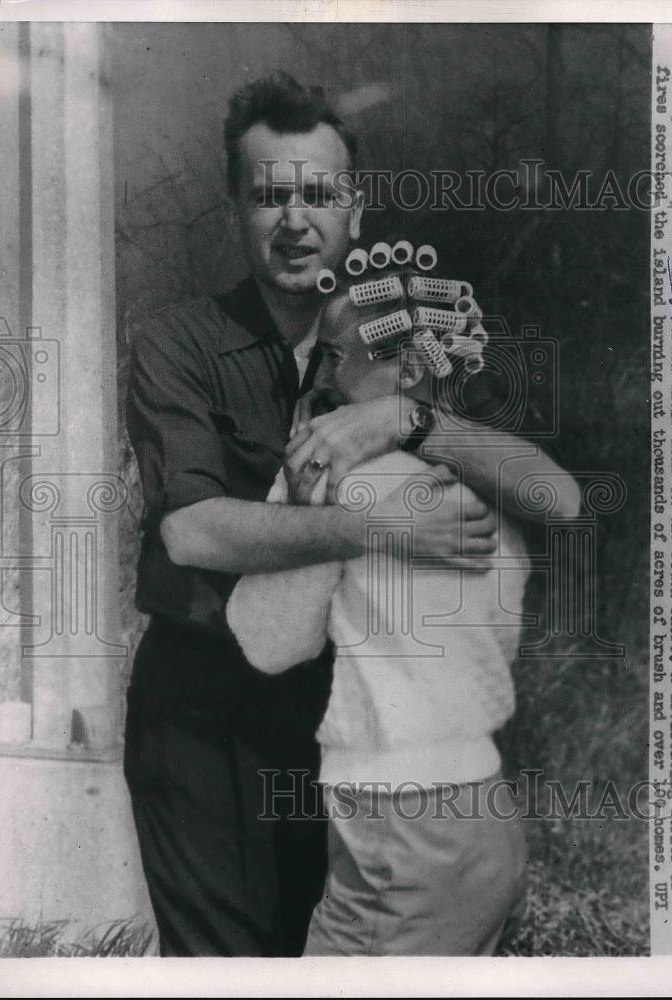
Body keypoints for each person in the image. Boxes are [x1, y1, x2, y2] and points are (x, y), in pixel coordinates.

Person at [124, 71, 580, 957]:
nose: (295, 219)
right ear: (237, 209)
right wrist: (380, 528)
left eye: (319, 193)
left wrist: (403, 417)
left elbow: (549, 494)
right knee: (236, 962)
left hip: (355, 740)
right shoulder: (179, 344)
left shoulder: (394, 334)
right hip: (210, 720)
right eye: (268, 195)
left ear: (355, 208)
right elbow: (192, 530)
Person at [227, 272, 535, 955]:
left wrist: (304, 521)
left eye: (336, 353)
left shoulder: (329, 471)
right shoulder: (489, 477)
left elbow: (266, 643)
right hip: (485, 813)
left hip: (397, 822)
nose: (322, 372)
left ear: (403, 363)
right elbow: (502, 641)